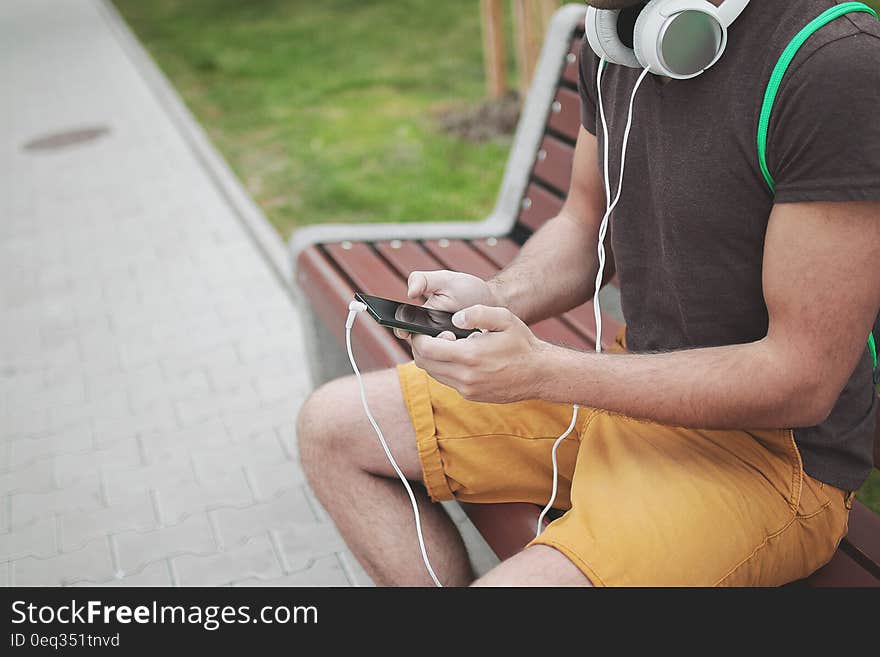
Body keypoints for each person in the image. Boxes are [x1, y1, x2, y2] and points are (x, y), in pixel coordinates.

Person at [296, 0, 880, 586]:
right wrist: (493, 300)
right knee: (332, 428)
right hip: (631, 388)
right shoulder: (619, 35)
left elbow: (801, 378)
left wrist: (544, 371)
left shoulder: (833, 65)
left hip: (766, 457)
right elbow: (582, 228)